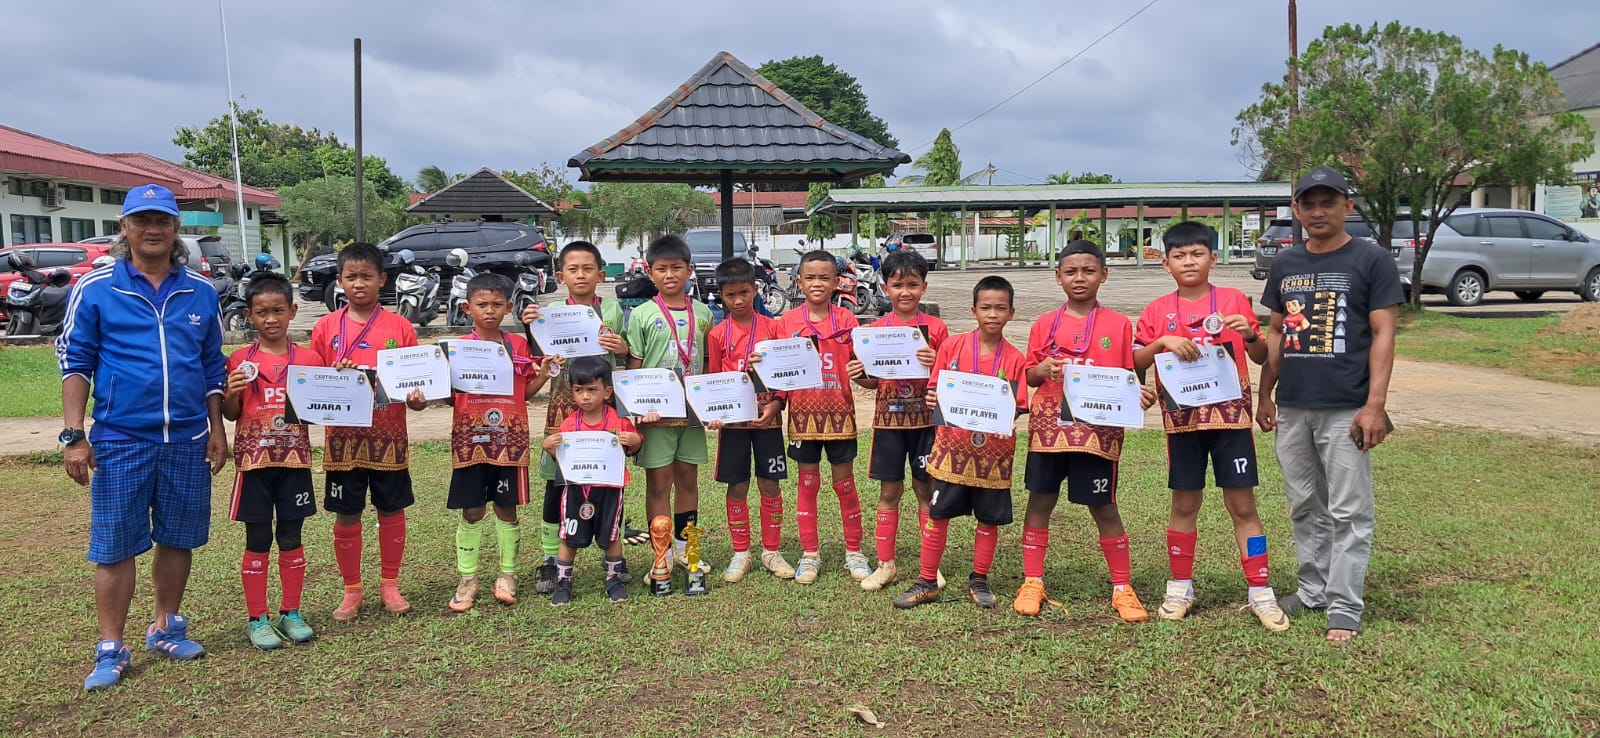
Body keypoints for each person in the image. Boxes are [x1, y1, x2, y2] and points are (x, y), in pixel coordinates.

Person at [58, 184, 229, 690]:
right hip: (118, 438)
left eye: (163, 221)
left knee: (178, 537)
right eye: (142, 220)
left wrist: (217, 428)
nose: (153, 229)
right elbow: (75, 360)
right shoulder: (95, 288)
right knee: (114, 545)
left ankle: (165, 626)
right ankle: (111, 646)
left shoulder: (200, 291)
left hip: (187, 439)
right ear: (125, 227)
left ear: (177, 230)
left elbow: (211, 365)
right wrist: (74, 434)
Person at [1258, 166, 1403, 643]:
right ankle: (1312, 590)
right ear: (1296, 210)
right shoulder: (1286, 264)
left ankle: (1344, 606)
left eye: (1328, 202)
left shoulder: (1372, 261)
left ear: (1348, 207)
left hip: (1346, 406)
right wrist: (1265, 392)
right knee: (1304, 504)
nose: (1318, 212)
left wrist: (1374, 406)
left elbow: (1384, 334)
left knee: (1348, 510)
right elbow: (1277, 331)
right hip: (1294, 406)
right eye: (1308, 204)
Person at [1132, 221, 1287, 631]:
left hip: (1230, 422)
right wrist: (1161, 343)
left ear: (1213, 259)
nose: (1188, 262)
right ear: (1166, 264)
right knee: (1184, 505)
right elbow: (1135, 362)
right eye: (1179, 256)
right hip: (1182, 424)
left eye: (1197, 254)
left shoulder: (1233, 299)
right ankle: (1180, 586)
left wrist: (1251, 333)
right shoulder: (1156, 312)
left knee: (1243, 505)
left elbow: (1258, 356)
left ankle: (1261, 592)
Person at [1017, 240, 1153, 621]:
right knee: (1040, 502)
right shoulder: (1044, 324)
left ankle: (1122, 587)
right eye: (1071, 271)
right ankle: (1032, 580)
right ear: (1058, 277)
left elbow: (1130, 377)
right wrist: (1042, 371)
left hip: (1097, 433)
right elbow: (1028, 374)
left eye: (1089, 270)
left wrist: (1142, 395)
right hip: (1048, 430)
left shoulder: (1118, 325)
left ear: (1104, 275)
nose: (1080, 278)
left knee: (1104, 506)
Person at [308, 242, 429, 622]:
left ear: (383, 280)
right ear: (340, 281)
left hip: (389, 436)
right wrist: (333, 376)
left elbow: (417, 386)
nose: (358, 284)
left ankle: (390, 584)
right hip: (343, 440)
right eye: (351, 277)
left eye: (367, 277)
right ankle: (352, 589)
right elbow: (312, 385)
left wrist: (418, 398)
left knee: (391, 509)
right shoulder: (326, 327)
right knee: (347, 514)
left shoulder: (400, 327)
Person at [893, 276, 1027, 610]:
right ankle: (927, 580)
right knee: (938, 515)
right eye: (985, 308)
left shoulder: (1014, 358)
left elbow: (1018, 404)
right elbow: (935, 388)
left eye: (1000, 308)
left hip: (993, 455)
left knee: (988, 519)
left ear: (1011, 313)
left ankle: (979, 579)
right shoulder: (952, 347)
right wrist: (931, 399)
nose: (992, 315)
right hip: (952, 449)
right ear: (973, 310)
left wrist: (1010, 418)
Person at [521, 241, 629, 595]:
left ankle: (611, 550)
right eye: (573, 269)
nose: (580, 275)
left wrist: (622, 349)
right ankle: (552, 559)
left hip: (603, 409)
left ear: (601, 273)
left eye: (587, 268)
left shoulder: (613, 308)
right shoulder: (548, 313)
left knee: (605, 481)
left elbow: (628, 358)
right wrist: (530, 329)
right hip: (563, 407)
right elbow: (538, 360)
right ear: (560, 276)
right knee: (558, 485)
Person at [221, 272, 319, 650]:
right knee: (258, 537)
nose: (271, 319)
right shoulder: (240, 359)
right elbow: (231, 413)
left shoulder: (309, 359)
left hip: (294, 463)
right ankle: (257, 618)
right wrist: (231, 392)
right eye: (262, 312)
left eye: (279, 310)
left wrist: (340, 381)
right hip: (254, 463)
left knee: (292, 537)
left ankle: (291, 613)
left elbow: (321, 407)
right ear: (249, 315)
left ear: (292, 312)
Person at [447, 273, 550, 612]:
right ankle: (467, 578)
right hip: (470, 439)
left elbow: (525, 392)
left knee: (507, 509)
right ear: (467, 308)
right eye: (481, 305)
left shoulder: (518, 346)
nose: (489, 311)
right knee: (472, 509)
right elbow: (450, 397)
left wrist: (544, 375)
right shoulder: (458, 348)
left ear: (508, 307)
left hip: (510, 438)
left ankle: (508, 574)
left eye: (496, 305)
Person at [848, 249, 949, 592]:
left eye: (913, 284)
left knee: (926, 490)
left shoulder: (936, 329)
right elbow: (872, 382)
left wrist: (937, 361)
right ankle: (885, 563)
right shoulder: (875, 330)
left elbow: (949, 376)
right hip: (888, 423)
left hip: (926, 424)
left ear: (924, 286)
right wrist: (858, 374)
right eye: (897, 285)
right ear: (885, 287)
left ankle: (929, 566)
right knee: (889, 491)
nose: (905, 292)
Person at [773, 250, 870, 585]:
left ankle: (854, 552)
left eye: (824, 277)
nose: (817, 283)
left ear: (835, 282)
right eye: (810, 277)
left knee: (845, 485)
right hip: (802, 417)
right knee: (807, 484)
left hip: (840, 415)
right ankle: (810, 554)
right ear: (799, 281)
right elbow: (778, 374)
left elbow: (864, 372)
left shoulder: (847, 321)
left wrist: (862, 372)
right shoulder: (785, 323)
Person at [624, 235, 715, 581]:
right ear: (650, 273)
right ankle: (659, 556)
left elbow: (707, 366)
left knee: (688, 482)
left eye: (677, 267)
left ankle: (686, 550)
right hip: (655, 417)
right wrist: (633, 412)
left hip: (690, 415)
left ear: (690, 271)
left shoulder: (704, 313)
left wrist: (711, 405)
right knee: (659, 485)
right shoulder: (642, 314)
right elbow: (633, 365)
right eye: (662, 269)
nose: (670, 275)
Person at [704, 258, 795, 582]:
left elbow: (785, 374)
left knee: (769, 483)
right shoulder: (716, 335)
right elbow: (713, 379)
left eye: (744, 292)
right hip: (733, 426)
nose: (738, 300)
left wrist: (777, 404)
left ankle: (771, 551)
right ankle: (740, 552)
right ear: (721, 296)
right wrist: (715, 414)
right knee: (737, 485)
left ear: (755, 290)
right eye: (731, 295)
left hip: (767, 420)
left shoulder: (774, 328)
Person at [540, 357, 643, 605]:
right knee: (569, 535)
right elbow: (561, 458)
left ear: (607, 392)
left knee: (612, 535)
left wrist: (633, 440)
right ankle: (564, 582)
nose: (585, 396)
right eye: (579, 390)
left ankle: (613, 580)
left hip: (609, 490)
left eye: (592, 390)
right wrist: (548, 447)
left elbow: (636, 444)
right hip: (576, 491)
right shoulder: (569, 424)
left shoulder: (618, 421)